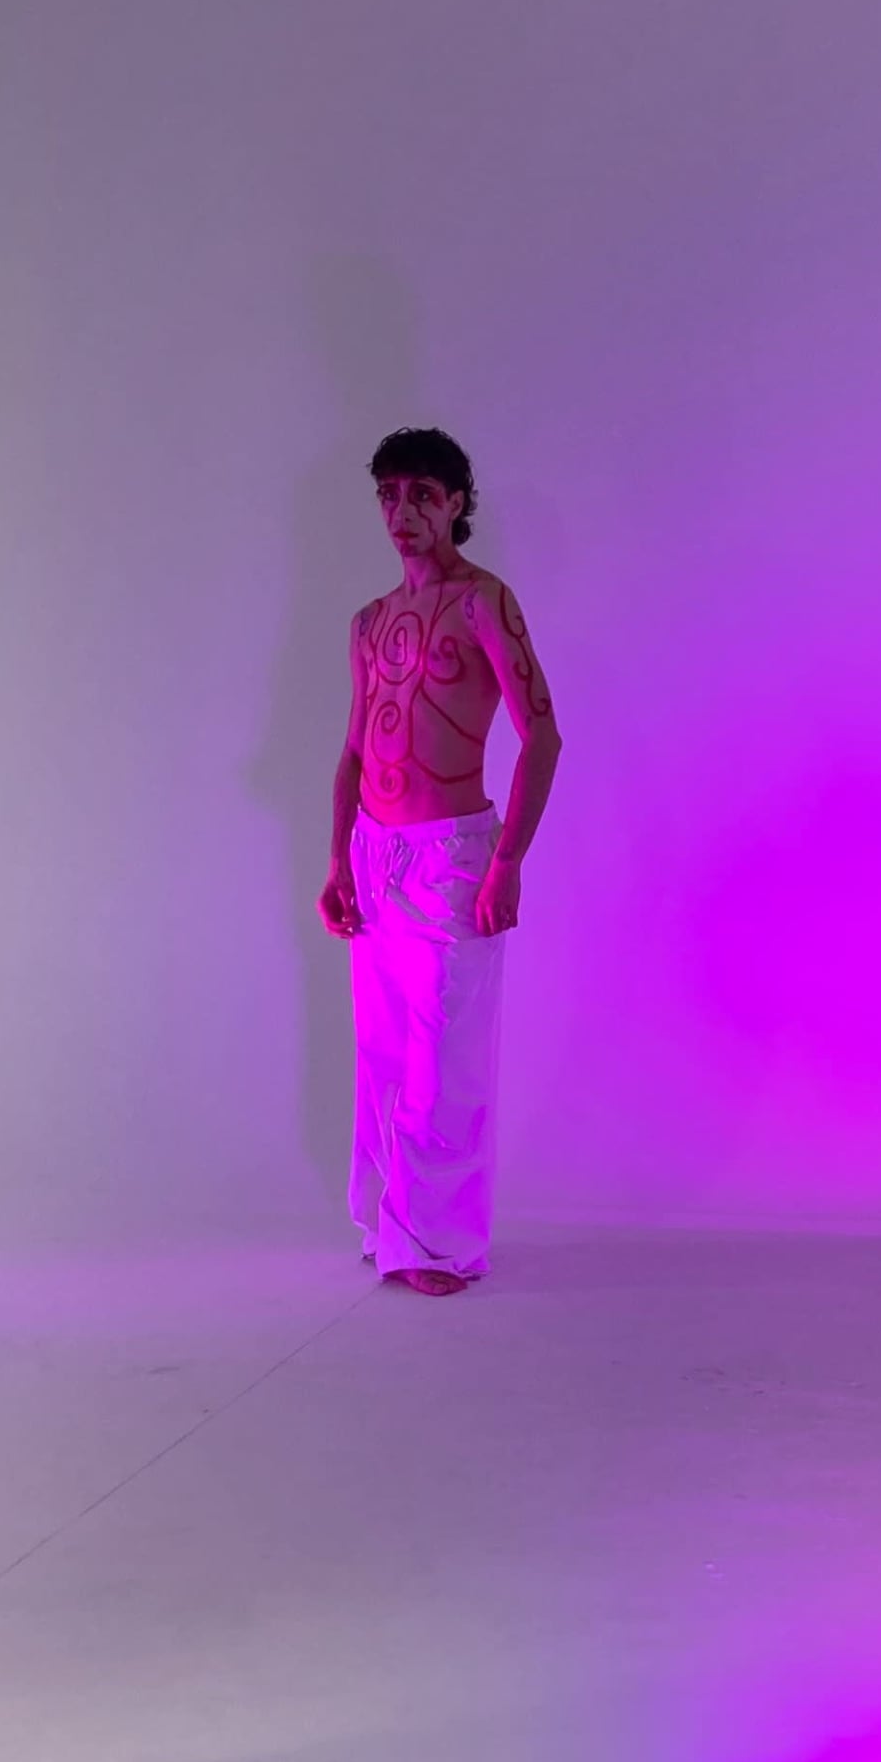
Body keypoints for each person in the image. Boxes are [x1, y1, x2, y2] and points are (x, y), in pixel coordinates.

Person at [319, 430, 560, 1294]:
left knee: (443, 1057)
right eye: (388, 494)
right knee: (383, 1050)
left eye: (422, 492)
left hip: (453, 855)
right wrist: (338, 862)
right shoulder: (369, 621)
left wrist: (508, 861)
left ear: (458, 502)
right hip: (375, 857)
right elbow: (352, 750)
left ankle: (439, 1242)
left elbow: (542, 737)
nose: (402, 512)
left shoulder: (483, 602)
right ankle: (395, 1226)